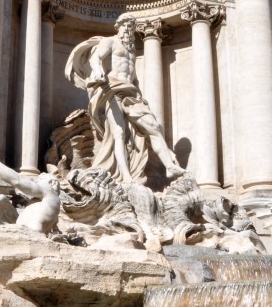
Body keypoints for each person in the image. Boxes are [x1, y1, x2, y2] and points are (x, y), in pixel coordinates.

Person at [65, 14, 184, 184]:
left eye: (132, 26)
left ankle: (170, 167)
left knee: (154, 127)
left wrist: (139, 94)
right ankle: (126, 177)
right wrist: (98, 71)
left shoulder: (131, 50)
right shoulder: (110, 41)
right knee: (119, 133)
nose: (129, 29)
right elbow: (95, 58)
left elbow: (133, 77)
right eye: (127, 25)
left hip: (130, 93)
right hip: (111, 89)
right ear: (119, 26)